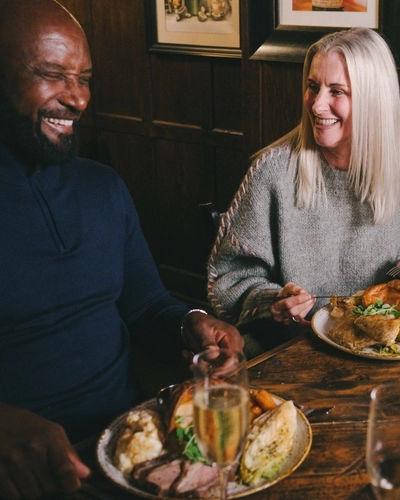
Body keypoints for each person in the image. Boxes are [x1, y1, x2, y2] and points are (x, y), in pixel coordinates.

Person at [0, 1, 243, 498]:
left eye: (84, 79)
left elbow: (147, 306)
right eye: (52, 74)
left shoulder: (102, 187)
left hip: (135, 449)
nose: (78, 98)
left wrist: (193, 323)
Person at [207, 28, 400, 340]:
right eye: (313, 87)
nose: (316, 105)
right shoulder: (273, 171)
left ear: (374, 101)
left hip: (376, 348)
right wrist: (274, 301)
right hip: (290, 346)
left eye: (336, 91)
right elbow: (226, 280)